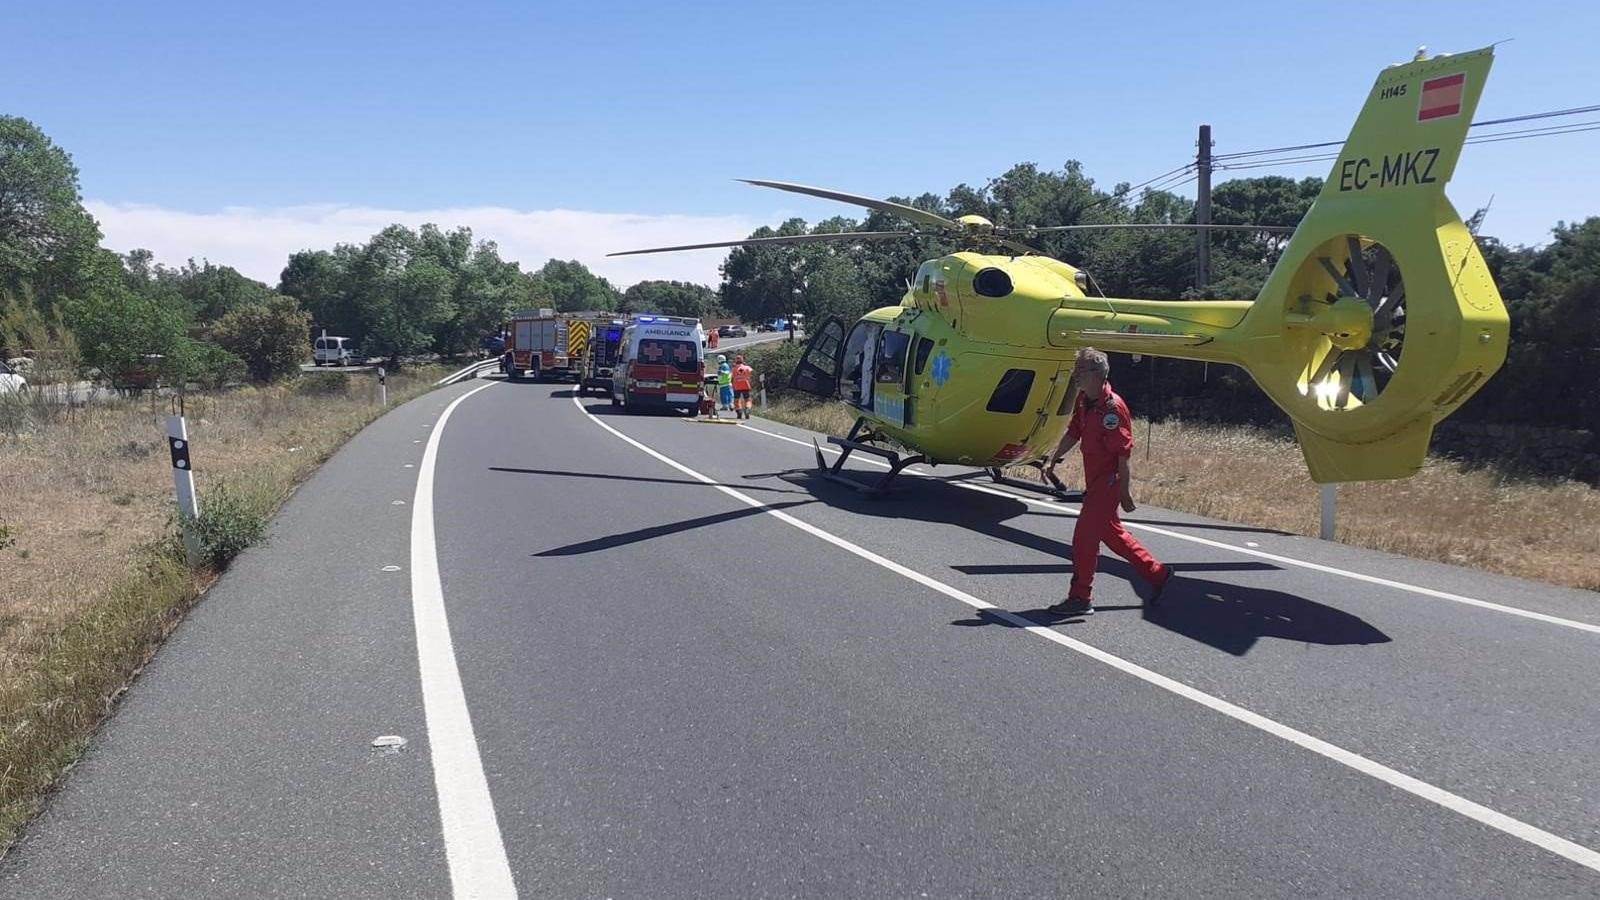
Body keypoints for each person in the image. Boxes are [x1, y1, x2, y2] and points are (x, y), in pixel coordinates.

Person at [1042, 348, 1171, 615]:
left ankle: (1081, 597)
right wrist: (1053, 458)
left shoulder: (1112, 409)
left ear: (1097, 374)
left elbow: (1123, 454)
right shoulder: (1084, 400)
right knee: (1112, 534)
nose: (1076, 374)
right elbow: (1074, 431)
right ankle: (1157, 573)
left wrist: (1125, 493)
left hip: (1108, 482)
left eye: (1081, 370)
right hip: (1095, 480)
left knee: (1084, 539)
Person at [731, 354, 754, 419]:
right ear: (742, 360)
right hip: (745, 385)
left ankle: (739, 411)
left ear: (736, 361)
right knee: (747, 399)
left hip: (737, 386)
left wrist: (732, 384)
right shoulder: (747, 367)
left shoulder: (734, 369)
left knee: (736, 400)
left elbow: (732, 378)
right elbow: (752, 373)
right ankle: (747, 409)